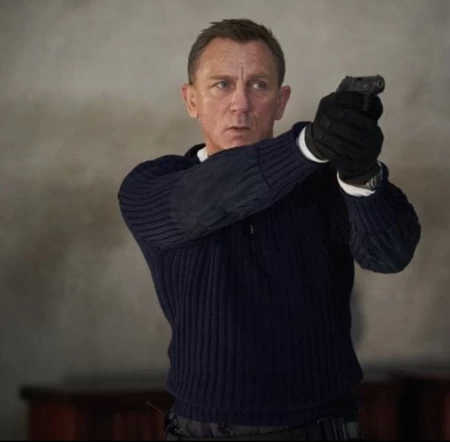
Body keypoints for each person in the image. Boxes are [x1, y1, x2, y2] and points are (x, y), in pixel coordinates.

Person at [118, 18, 421, 441]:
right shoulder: (152, 185)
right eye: (222, 85)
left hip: (321, 427)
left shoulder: (324, 181)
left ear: (281, 102)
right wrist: (308, 145)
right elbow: (203, 200)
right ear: (191, 99)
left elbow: (390, 255)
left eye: (258, 85)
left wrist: (359, 172)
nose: (240, 104)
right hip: (202, 430)